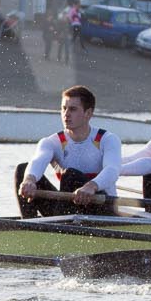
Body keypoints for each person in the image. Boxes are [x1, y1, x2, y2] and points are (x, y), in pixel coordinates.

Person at [17, 85, 122, 217]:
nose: (66, 114)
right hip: (68, 207)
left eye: (72, 109)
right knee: (23, 170)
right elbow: (38, 160)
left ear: (88, 113)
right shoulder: (52, 142)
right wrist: (29, 180)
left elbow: (112, 170)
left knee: (70, 175)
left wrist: (91, 186)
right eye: (63, 108)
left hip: (101, 207)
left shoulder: (107, 139)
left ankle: (59, 226)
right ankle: (29, 226)